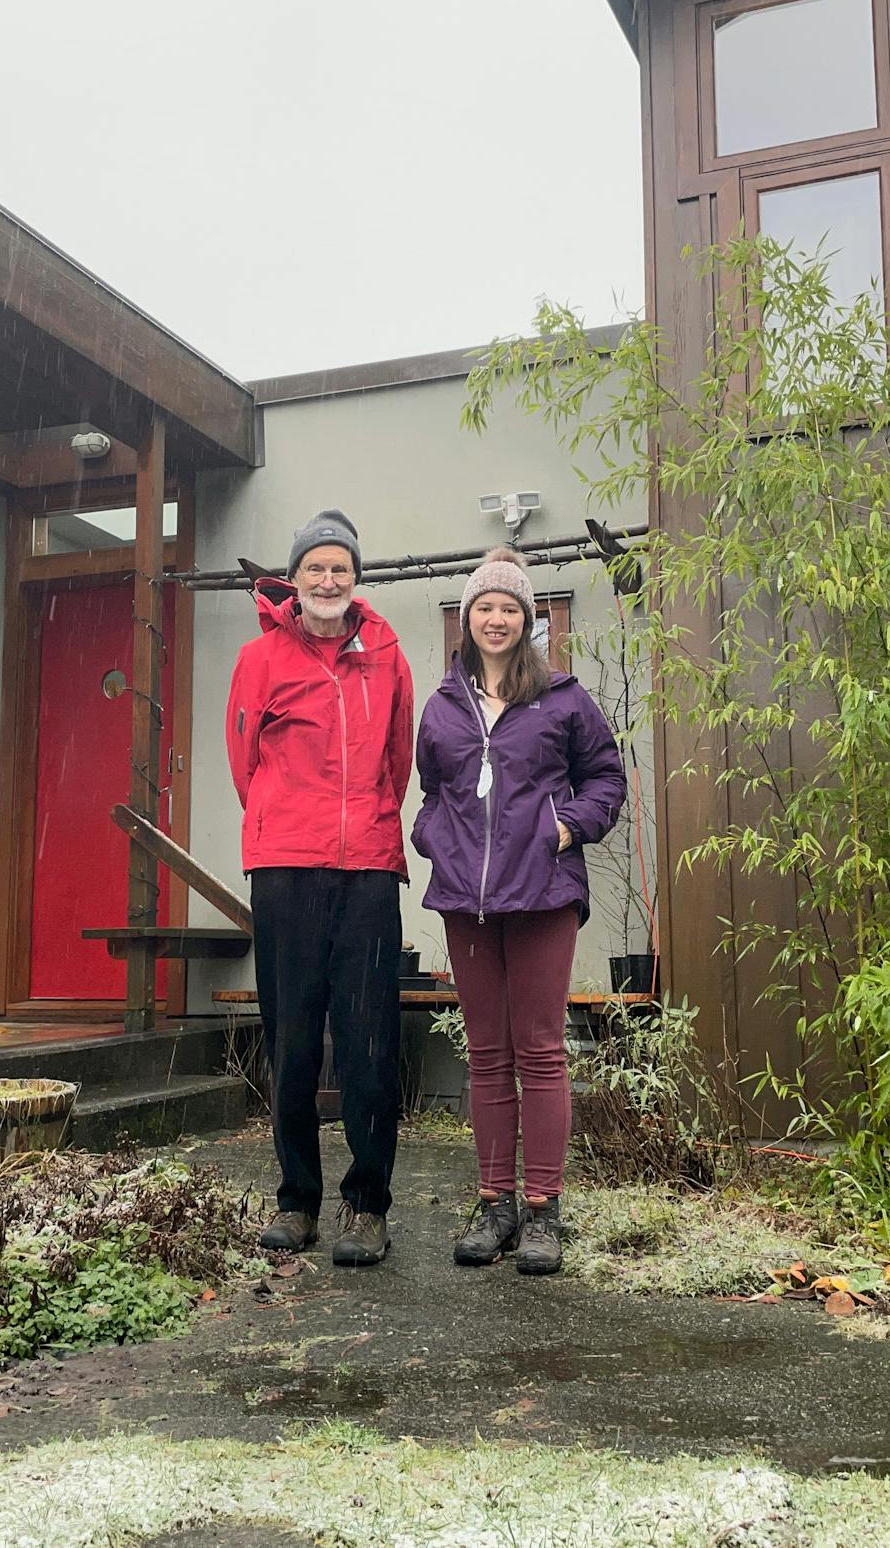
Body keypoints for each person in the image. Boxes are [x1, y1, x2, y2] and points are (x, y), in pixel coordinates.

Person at [412, 548, 625, 1275]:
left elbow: (606, 778)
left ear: (527, 620)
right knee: (488, 1055)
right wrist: (433, 836)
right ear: (467, 620)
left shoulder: (563, 698)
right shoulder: (443, 706)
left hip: (542, 894)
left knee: (539, 1051)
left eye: (509, 608)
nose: (496, 618)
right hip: (466, 904)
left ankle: (542, 1210)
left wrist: (567, 827)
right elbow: (431, 790)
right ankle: (495, 1203)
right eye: (485, 607)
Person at [226, 509, 415, 1266]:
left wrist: (361, 822)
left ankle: (367, 1205)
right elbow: (245, 763)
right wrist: (290, 823)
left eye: (341, 568)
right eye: (316, 568)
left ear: (355, 578)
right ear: (295, 578)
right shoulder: (259, 657)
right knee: (293, 1037)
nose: (329, 581)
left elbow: (397, 762)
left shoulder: (388, 653)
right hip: (286, 869)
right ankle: (297, 1200)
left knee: (371, 1041)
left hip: (368, 867)